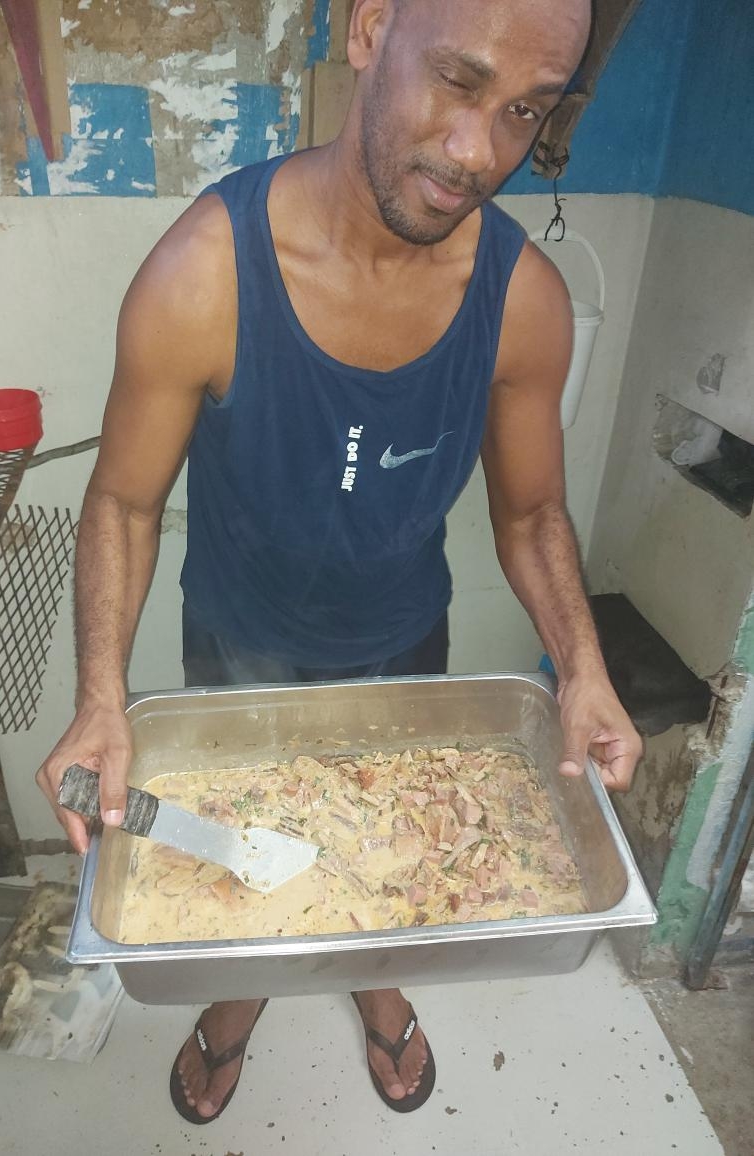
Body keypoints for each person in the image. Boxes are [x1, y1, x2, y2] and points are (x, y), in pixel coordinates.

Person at [37, 0, 642, 1125]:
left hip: (404, 639)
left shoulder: (523, 301)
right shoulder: (205, 273)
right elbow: (122, 500)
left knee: (397, 856)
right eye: (458, 81)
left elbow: (531, 513)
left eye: (524, 112)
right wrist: (101, 699)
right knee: (243, 861)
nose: (477, 151)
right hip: (237, 646)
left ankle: (377, 975)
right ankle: (239, 996)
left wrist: (584, 666)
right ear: (369, 32)